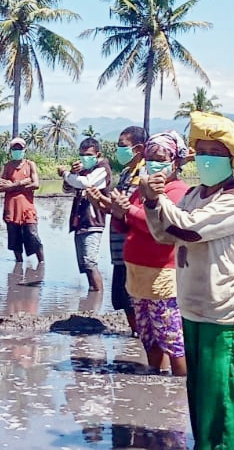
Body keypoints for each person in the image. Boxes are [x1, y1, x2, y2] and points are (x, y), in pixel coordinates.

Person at [142, 111, 234, 450]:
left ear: (233, 159)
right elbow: (166, 234)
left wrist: (157, 198)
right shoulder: (195, 194)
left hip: (225, 318)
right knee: (201, 403)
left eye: (216, 153)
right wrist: (153, 205)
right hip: (193, 311)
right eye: (203, 151)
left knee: (221, 407)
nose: (207, 159)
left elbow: (188, 230)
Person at [109, 132, 190, 376]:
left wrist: (129, 211)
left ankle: (179, 387)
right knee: (149, 337)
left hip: (162, 276)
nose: (153, 163)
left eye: (160, 158)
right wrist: (117, 212)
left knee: (173, 340)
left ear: (175, 162)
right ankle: (155, 380)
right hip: (137, 275)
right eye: (150, 158)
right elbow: (125, 226)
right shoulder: (142, 188)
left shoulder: (177, 191)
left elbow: (158, 227)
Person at [87, 125, 146, 337]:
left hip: (134, 249)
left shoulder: (143, 175)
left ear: (138, 148)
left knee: (133, 298)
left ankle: (142, 338)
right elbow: (118, 208)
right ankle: (136, 335)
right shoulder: (127, 173)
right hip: (120, 248)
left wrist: (106, 203)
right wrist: (99, 200)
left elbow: (132, 210)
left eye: (123, 146)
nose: (119, 150)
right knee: (122, 298)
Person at [59, 137, 111, 293]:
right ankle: (92, 293)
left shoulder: (103, 169)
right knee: (84, 264)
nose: (84, 158)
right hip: (80, 222)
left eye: (88, 154)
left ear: (97, 154)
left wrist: (66, 174)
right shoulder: (84, 171)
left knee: (90, 262)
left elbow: (85, 183)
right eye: (82, 155)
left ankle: (97, 295)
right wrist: (72, 174)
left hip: (93, 222)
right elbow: (67, 189)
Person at [0, 137, 44, 263]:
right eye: (14, 148)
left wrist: (12, 186)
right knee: (15, 242)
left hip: (27, 209)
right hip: (12, 210)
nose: (17, 151)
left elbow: (35, 184)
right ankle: (18, 265)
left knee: (33, 237)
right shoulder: (7, 166)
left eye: (19, 148)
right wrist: (24, 183)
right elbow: (1, 186)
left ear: (25, 150)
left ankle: (42, 264)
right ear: (11, 150)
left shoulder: (30, 165)